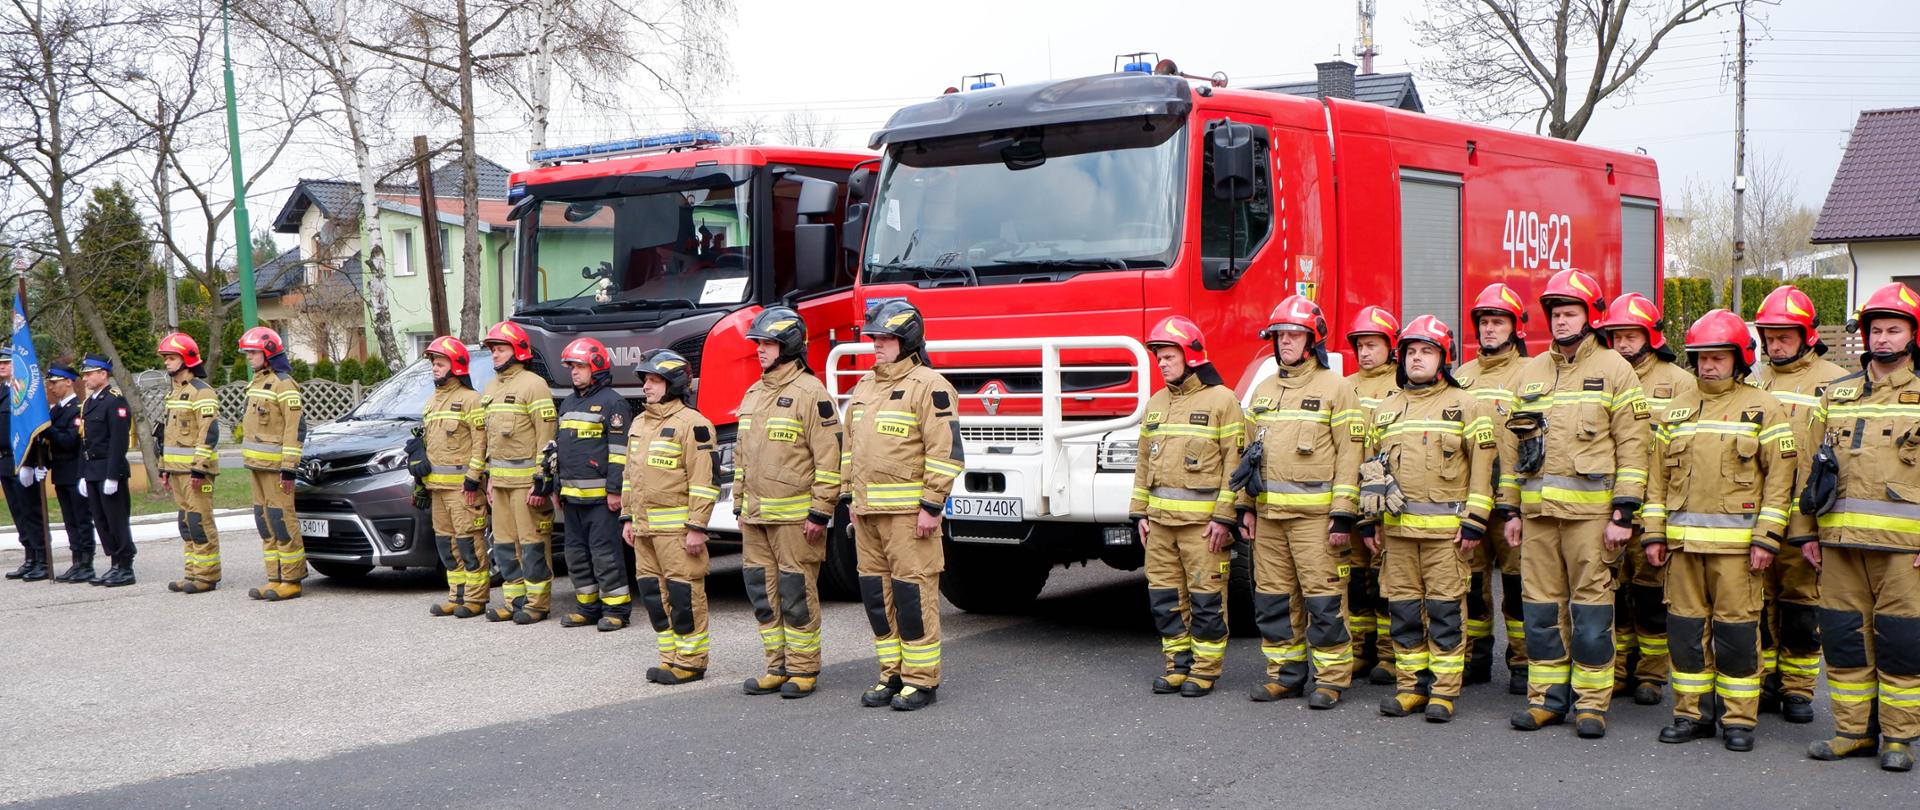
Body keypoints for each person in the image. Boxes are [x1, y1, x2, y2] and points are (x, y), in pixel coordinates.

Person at [1503, 269, 1650, 739]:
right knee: (1542, 612)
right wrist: (1510, 510)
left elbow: (1633, 444)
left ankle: (1590, 704)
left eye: (1570, 313)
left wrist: (1623, 513)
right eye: (1556, 313)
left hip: (1591, 518)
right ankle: (1546, 700)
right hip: (1538, 517)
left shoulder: (1615, 369)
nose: (1562, 321)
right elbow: (1512, 450)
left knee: (1590, 615)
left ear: (1590, 317)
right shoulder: (1530, 374)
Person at [1642, 309, 1793, 753]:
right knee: (1685, 635)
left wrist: (1767, 540)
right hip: (1682, 550)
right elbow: (1656, 481)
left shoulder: (1764, 408)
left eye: (1719, 357)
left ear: (1739, 359)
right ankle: (1691, 715)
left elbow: (1780, 483)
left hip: (1738, 552)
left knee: (1738, 636)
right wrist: (1653, 534)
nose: (1708, 365)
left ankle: (1739, 720)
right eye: (1702, 357)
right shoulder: (1676, 411)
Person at [1803, 282, 1920, 773]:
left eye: (1895, 329)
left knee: (1899, 643)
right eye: (1877, 329)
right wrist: (1806, 533)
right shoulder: (1835, 393)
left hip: (1903, 550)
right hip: (1840, 545)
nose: (1884, 338)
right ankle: (1852, 731)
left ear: (1912, 334)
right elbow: (1809, 470)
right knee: (1845, 639)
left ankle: (1897, 738)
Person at [1366, 315, 1496, 723]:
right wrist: (1369, 522)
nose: (1416, 359)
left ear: (1444, 358)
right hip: (1398, 536)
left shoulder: (1467, 406)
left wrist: (1475, 521)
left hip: (1446, 538)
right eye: (1410, 352)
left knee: (1444, 615)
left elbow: (1483, 469)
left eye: (1427, 351)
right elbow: (1372, 471)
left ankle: (1442, 692)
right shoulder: (1385, 410)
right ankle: (1410, 688)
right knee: (1403, 614)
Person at [1233, 295, 1359, 707]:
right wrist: (1244, 508)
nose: (1285, 342)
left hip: (1315, 520)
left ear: (1313, 339)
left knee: (1323, 601)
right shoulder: (1264, 391)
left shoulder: (1337, 389)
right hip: (1269, 519)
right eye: (1280, 335)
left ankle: (1332, 679)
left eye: (1294, 335)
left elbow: (1349, 457)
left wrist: (1342, 516)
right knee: (1272, 600)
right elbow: (1246, 454)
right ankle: (1284, 674)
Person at [844, 300, 963, 711]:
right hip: (867, 516)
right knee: (878, 598)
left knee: (913, 598)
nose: (876, 344)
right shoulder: (864, 386)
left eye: (885, 338)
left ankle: (920, 680)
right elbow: (850, 451)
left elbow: (945, 451)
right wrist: (849, 499)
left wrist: (931, 506)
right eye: (874, 337)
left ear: (907, 340)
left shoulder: (930, 385)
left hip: (910, 518)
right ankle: (890, 674)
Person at [734, 307, 843, 699]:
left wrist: (821, 511)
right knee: (763, 593)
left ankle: (803, 669)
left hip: (797, 520)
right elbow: (742, 458)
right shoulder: (754, 393)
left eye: (767, 343)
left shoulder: (811, 394)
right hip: (756, 516)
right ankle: (775, 666)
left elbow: (830, 460)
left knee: (795, 592)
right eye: (759, 343)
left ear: (790, 346)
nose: (759, 350)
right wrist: (738, 505)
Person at [1753, 285, 1847, 724]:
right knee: (1759, 603)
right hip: (1757, 516)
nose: (1775, 344)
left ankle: (1797, 689)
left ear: (1807, 335)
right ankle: (1766, 681)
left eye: (1784, 335)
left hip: (1803, 516)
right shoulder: (1754, 381)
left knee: (1800, 607)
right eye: (1770, 336)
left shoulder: (1834, 382)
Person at [1597, 292, 1695, 706]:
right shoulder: (1601, 375)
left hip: (1656, 507)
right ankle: (1617, 670)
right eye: (1616, 335)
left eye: (1631, 335)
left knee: (1651, 594)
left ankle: (1651, 675)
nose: (1622, 343)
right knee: (1612, 593)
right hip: (1609, 504)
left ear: (1651, 336)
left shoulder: (1680, 382)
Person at [622, 349, 721, 686]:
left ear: (674, 384)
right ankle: (670, 659)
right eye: (646, 380)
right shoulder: (639, 424)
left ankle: (691, 661)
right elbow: (629, 476)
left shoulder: (693, 425)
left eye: (654, 380)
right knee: (652, 594)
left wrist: (697, 527)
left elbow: (704, 482)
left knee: (684, 596)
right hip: (644, 529)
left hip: (678, 533)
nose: (646, 387)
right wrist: (627, 518)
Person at [1454, 283, 1531, 692]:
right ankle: (1474, 658)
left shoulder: (1532, 374)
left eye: (1498, 321)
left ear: (1515, 327)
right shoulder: (1461, 377)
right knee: (1471, 585)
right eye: (1484, 322)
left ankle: (1522, 663)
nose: (1489, 329)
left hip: (1513, 502)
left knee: (1519, 587)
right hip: (1470, 501)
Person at [477, 321, 558, 623]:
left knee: (533, 545)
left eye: (500, 349)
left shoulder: (533, 385)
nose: (495, 355)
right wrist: (489, 480)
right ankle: (514, 602)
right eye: (493, 350)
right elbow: (488, 440)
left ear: (519, 350)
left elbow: (545, 438)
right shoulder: (490, 388)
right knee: (504, 545)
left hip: (527, 485)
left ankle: (537, 604)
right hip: (500, 485)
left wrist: (541, 483)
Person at [553, 337, 630, 630]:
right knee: (576, 556)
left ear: (596, 366)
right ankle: (587, 607)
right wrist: (558, 487)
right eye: (571, 366)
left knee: (605, 555)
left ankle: (616, 610)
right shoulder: (569, 403)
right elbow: (561, 450)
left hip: (601, 500)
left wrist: (615, 491)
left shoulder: (613, 403)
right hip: (572, 498)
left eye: (580, 366)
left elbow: (620, 453)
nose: (574, 372)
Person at [1346, 305, 1402, 684]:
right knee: (1353, 579)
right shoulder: (1343, 385)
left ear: (1390, 346)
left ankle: (1388, 655)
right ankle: (1357, 650)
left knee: (1385, 581)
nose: (1365, 353)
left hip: (1385, 498)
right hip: (1349, 498)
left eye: (1372, 345)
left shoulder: (1401, 386)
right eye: (1360, 346)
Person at [421, 337, 490, 618]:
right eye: (434, 364)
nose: (435, 369)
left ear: (457, 365)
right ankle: (456, 595)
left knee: (468, 543)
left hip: (463, 490)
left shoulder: (471, 400)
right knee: (446, 546)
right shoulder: (432, 402)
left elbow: (480, 443)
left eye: (440, 363)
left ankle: (475, 598)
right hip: (437, 488)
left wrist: (473, 479)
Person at [237, 327, 306, 601]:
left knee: (282, 521)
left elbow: (295, 429)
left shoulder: (284, 384)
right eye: (248, 353)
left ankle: (291, 579)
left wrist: (289, 468)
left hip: (278, 470)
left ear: (268, 353)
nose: (249, 358)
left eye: (253, 353)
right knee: (265, 522)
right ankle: (274, 577)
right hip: (257, 467)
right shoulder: (255, 383)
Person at [154, 333, 222, 594]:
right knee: (186, 523)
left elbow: (209, 432)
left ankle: (207, 576)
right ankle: (192, 573)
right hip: (176, 471)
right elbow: (167, 435)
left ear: (187, 359)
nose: (167, 363)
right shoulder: (176, 392)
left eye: (171, 358)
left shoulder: (201, 392)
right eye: (166, 358)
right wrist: (164, 467)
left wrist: (199, 468)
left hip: (196, 474)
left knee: (199, 521)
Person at [78, 355, 135, 588]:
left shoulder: (115, 401)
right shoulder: (90, 403)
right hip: (92, 469)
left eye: (90, 373)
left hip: (110, 470)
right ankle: (114, 563)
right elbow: (85, 441)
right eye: (85, 374)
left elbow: (118, 442)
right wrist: (83, 473)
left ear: (103, 374)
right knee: (101, 521)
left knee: (116, 519)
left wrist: (112, 475)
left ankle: (125, 566)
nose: (85, 378)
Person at [42, 363, 95, 583]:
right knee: (70, 521)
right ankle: (76, 561)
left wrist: (47, 428)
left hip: (75, 471)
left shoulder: (77, 409)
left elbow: (68, 441)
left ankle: (86, 563)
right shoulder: (56, 410)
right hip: (62, 473)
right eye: (49, 383)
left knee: (81, 519)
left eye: (54, 382)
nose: (51, 387)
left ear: (68, 382)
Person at [1, 349, 49, 582]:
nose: (2, 366)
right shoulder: (2, 392)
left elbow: (32, 429)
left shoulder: (23, 394)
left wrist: (31, 463)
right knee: (18, 513)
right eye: (0, 363)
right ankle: (30, 556)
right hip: (4, 461)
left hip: (21, 460)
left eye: (7, 362)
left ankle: (42, 558)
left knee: (31, 511)